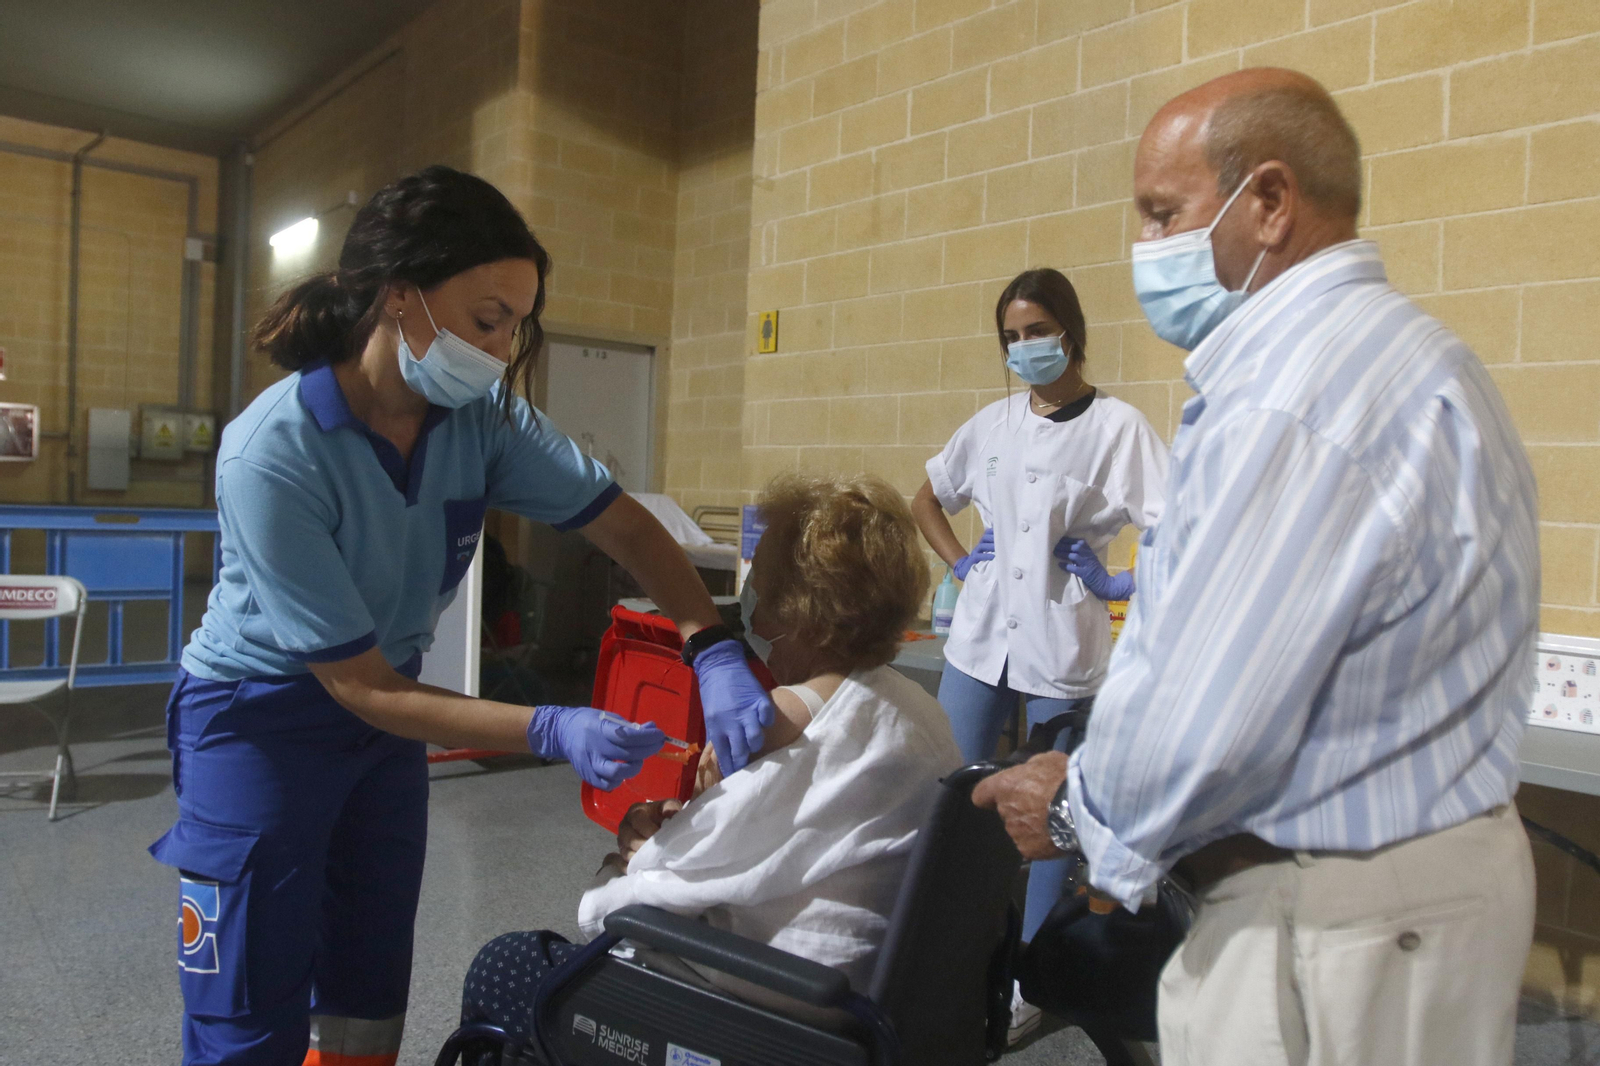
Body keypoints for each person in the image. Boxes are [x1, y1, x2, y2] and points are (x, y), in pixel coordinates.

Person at [148, 166, 775, 1066]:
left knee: (367, 981)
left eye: (517, 323)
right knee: (248, 993)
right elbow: (358, 684)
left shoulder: (481, 421)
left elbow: (627, 527)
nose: (501, 346)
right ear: (399, 298)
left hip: (384, 721)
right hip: (260, 719)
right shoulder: (272, 454)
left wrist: (713, 645)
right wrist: (550, 726)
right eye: (487, 320)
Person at [973, 68, 1539, 1066]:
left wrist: (1072, 804)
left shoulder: (1294, 394)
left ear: (1268, 203)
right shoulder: (1419, 356)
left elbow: (1209, 715)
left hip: (1334, 919)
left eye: (1162, 214)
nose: (1145, 250)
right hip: (1411, 891)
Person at [458, 474, 964, 1050]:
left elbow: (653, 888)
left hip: (778, 1010)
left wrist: (632, 855)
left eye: (763, 585)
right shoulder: (921, 710)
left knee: (504, 967)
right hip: (875, 1000)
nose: (751, 603)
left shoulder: (776, 727)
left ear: (800, 608)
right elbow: (773, 843)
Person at [910, 268, 1167, 1040]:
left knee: (1056, 813)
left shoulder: (1119, 428)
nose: (1025, 349)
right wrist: (960, 563)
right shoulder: (990, 424)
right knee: (953, 793)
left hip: (1062, 638)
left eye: (1037, 333)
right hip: (982, 637)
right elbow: (926, 497)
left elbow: (1179, 525)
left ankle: (1032, 973)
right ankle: (947, 950)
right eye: (1012, 339)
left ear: (1071, 332)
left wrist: (1120, 577)